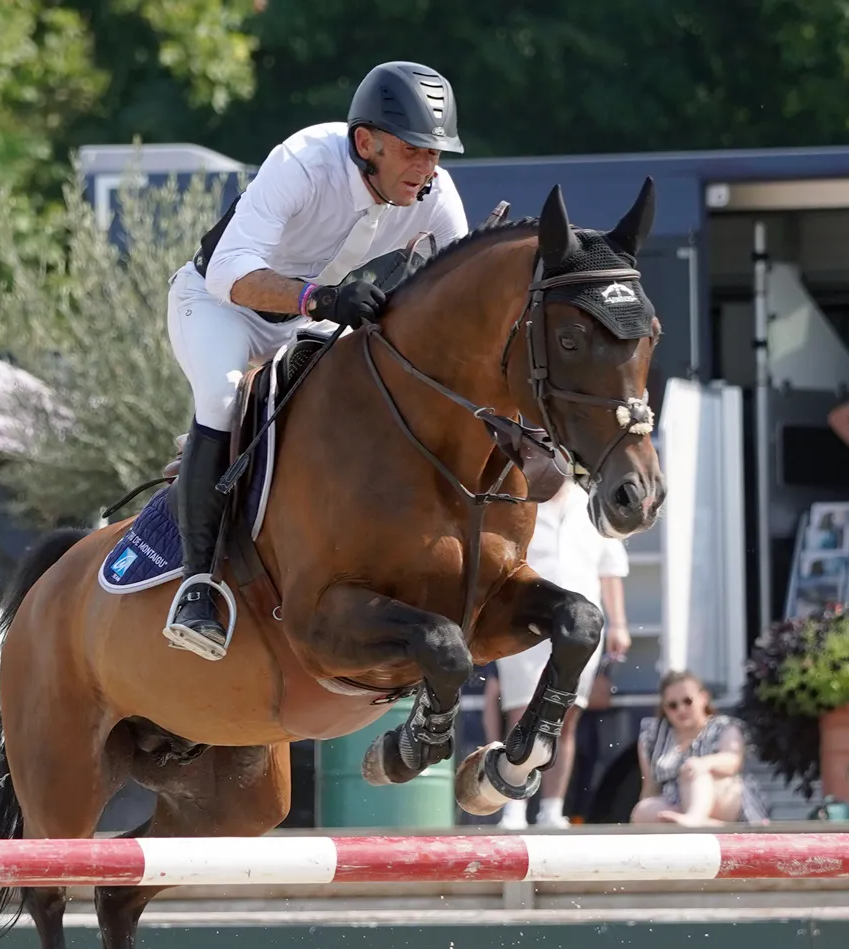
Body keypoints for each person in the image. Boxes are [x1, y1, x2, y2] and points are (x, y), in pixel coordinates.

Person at [165, 60, 469, 660]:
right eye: (412, 152)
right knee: (226, 394)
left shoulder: (434, 196)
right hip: (217, 304)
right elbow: (229, 274)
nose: (426, 169)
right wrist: (320, 298)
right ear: (365, 143)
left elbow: (455, 292)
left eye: (435, 154)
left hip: (305, 320)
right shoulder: (304, 161)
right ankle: (197, 585)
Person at [495, 479, 632, 829]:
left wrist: (618, 624)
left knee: (565, 720)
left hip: (581, 627)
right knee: (520, 714)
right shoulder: (517, 501)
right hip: (524, 622)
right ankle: (513, 808)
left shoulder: (594, 504)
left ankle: (551, 811)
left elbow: (610, 570)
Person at [631, 670, 764, 826]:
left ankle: (696, 820)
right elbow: (650, 788)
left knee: (693, 771)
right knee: (642, 810)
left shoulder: (723, 726)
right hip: (675, 806)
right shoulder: (653, 736)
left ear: (703, 698)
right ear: (664, 708)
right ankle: (705, 825)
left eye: (687, 701)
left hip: (722, 797)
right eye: (673, 705)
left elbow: (732, 761)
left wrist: (704, 764)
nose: (681, 709)